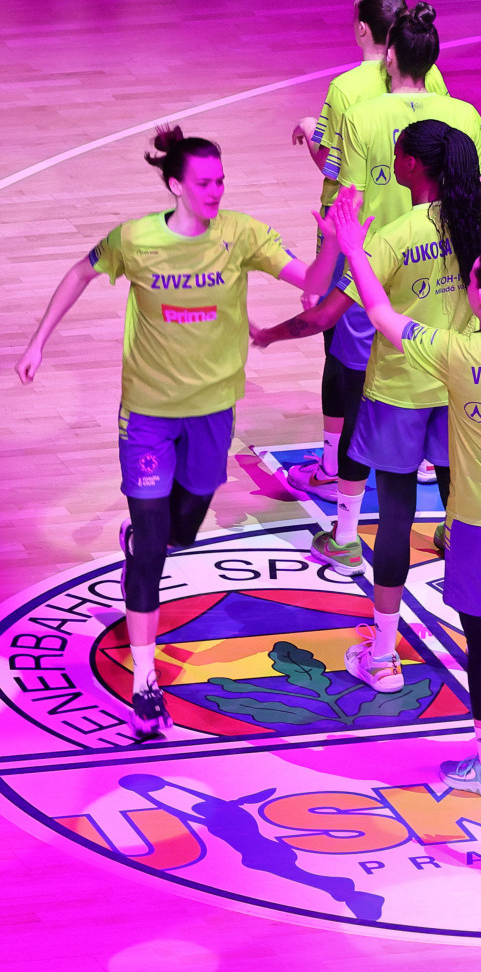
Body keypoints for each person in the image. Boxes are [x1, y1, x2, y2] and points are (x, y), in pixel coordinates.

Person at [16, 126, 338, 740]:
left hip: (213, 413)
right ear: (175, 186)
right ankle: (145, 682)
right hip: (148, 415)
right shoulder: (136, 240)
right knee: (152, 549)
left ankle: (152, 536)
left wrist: (335, 243)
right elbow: (80, 273)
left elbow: (313, 283)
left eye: (221, 181)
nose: (216, 191)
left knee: (183, 528)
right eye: (205, 183)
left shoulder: (242, 235)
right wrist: (37, 343)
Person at [331, 185, 481, 798]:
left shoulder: (460, 354)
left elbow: (381, 316)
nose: (465, 287)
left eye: (470, 281)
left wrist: (354, 250)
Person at [253, 122, 481, 662]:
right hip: (462, 389)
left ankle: (384, 656)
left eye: (397, 152)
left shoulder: (393, 237)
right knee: (464, 518)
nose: (392, 158)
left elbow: (324, 317)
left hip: (398, 395)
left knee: (396, 520)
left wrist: (269, 334)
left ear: (411, 165)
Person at [287, 0, 449, 499]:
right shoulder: (432, 78)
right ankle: (427, 455)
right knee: (419, 337)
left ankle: (335, 468)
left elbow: (335, 173)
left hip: (362, 243)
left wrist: (310, 129)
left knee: (343, 357)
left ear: (362, 28)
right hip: (426, 235)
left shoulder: (345, 90)